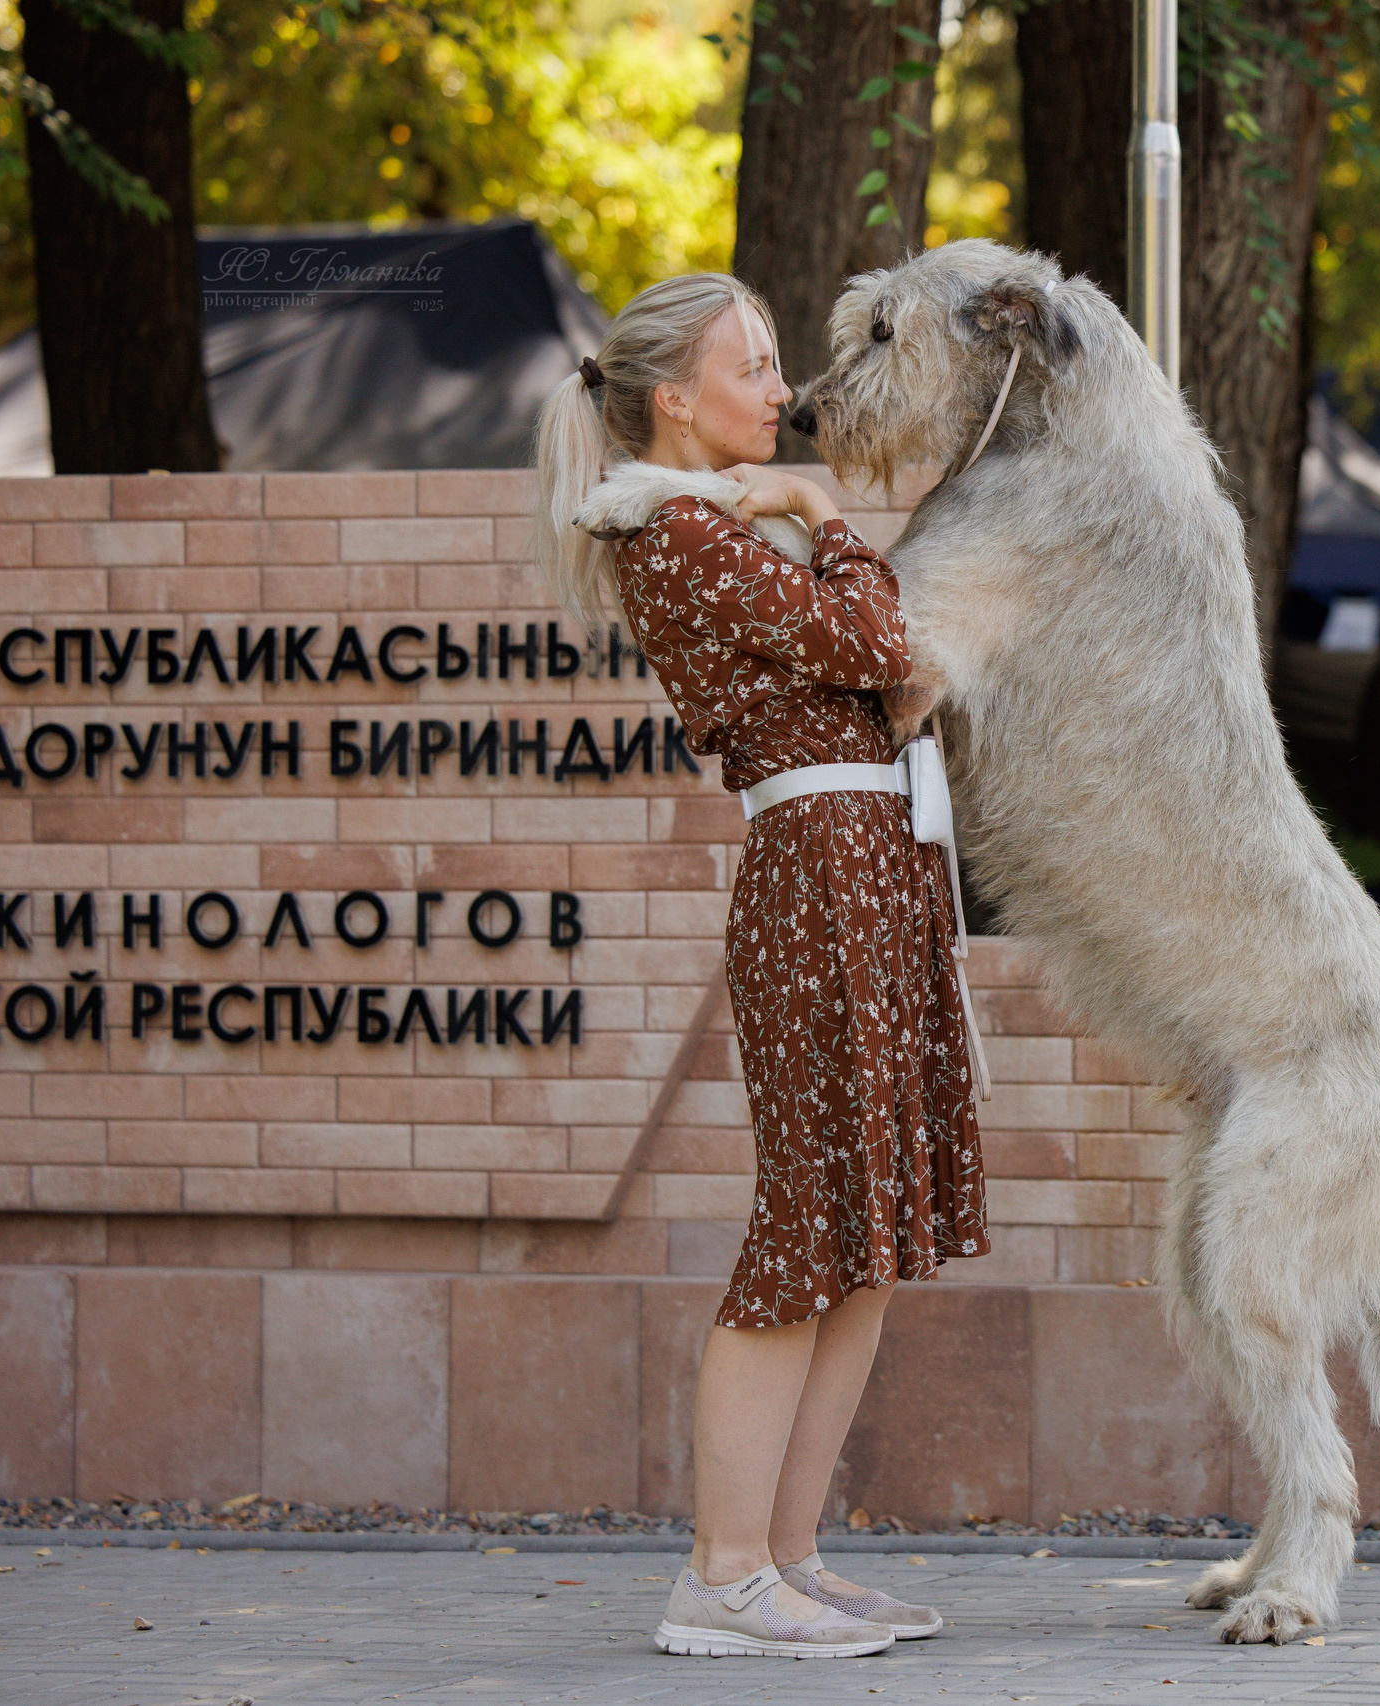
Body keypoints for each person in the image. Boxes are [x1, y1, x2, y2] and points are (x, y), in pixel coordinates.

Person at [528, 273, 987, 1660]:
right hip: (820, 879)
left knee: (866, 1238)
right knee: (809, 1225)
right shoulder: (678, 531)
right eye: (758, 366)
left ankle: (786, 1558)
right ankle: (722, 1576)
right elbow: (876, 644)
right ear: (675, 400)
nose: (783, 392)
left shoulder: (719, 529)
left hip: (872, 865)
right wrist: (823, 511)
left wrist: (816, 539)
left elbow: (884, 670)